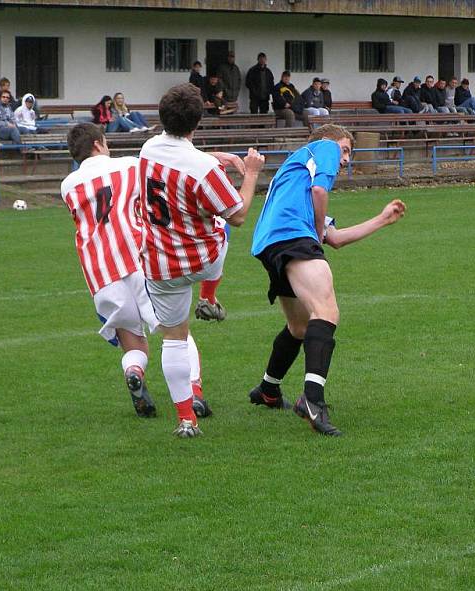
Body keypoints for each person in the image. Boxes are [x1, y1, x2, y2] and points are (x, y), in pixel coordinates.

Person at [248, 124, 406, 436]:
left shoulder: (295, 183)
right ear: (328, 142)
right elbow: (321, 195)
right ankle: (312, 400)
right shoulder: (323, 148)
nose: (345, 159)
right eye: (346, 149)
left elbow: (333, 237)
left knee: (300, 327)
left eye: (348, 153)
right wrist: (316, 229)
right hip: (292, 236)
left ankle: (267, 389)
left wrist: (382, 220)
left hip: (271, 242)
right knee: (327, 312)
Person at [138, 83, 265, 438]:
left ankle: (186, 421)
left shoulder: (149, 149)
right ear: (198, 122)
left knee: (175, 339)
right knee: (223, 223)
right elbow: (238, 214)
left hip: (161, 264)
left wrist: (213, 156)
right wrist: (251, 172)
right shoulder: (203, 170)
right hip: (201, 258)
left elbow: (179, 154)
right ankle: (208, 297)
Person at [60, 123, 211, 419]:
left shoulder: (68, 185)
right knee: (176, 331)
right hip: (139, 258)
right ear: (99, 144)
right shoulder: (130, 166)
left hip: (99, 271)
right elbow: (173, 166)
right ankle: (194, 392)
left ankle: (134, 371)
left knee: (133, 341)